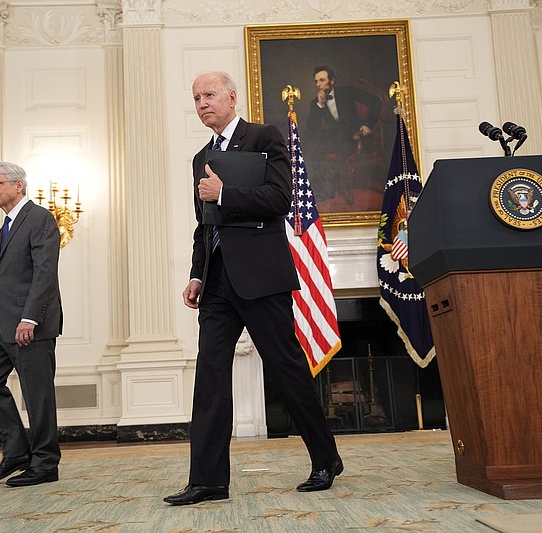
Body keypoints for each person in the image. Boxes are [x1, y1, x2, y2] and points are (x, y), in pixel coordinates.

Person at [163, 71, 342, 506]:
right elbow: (202, 227)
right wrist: (196, 275)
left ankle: (325, 458)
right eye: (196, 97)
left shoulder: (263, 137)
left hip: (262, 276)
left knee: (286, 369)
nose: (202, 102)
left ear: (231, 96)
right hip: (218, 283)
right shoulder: (199, 156)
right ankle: (207, 480)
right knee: (209, 378)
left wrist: (226, 193)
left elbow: (281, 199)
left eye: (209, 94)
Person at [0, 161, 63, 487]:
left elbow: (44, 273)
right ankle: (16, 452)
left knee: (37, 395)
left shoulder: (39, 218)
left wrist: (29, 318)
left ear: (18, 186)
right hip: (1, 324)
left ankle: (45, 463)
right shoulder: (8, 224)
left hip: (30, 324)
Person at [305, 65, 384, 204]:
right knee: (310, 145)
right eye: (316, 81)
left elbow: (376, 101)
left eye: (322, 80)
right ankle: (327, 189)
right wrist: (320, 105)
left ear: (332, 81)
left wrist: (368, 124)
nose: (318, 84)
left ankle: (344, 191)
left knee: (336, 145)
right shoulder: (316, 103)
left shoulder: (348, 92)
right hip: (338, 139)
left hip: (358, 137)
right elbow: (312, 127)